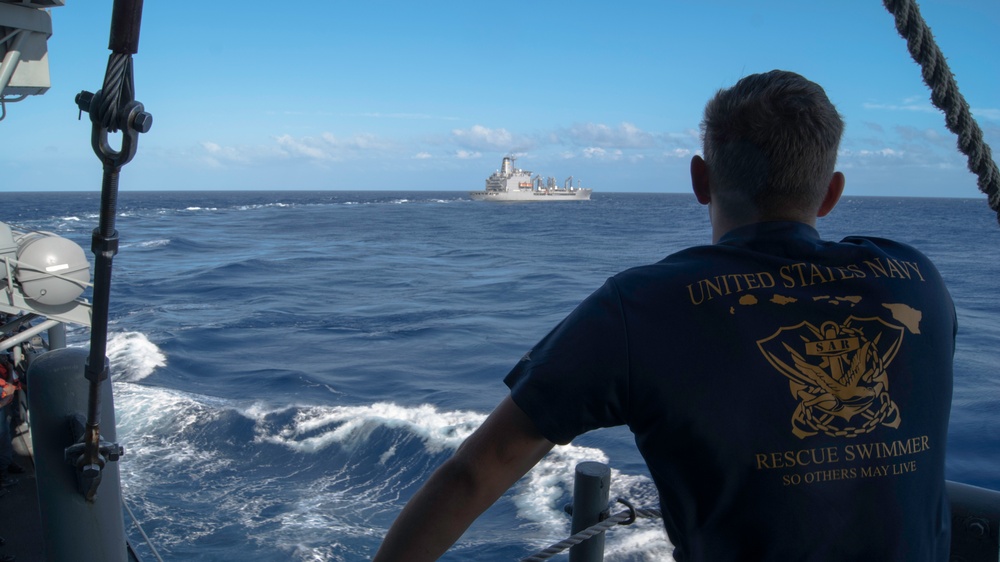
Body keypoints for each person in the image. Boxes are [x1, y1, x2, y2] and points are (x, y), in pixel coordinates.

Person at [373, 70, 955, 561]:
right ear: (831, 193)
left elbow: (476, 471)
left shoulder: (640, 307)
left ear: (700, 179)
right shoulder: (918, 283)